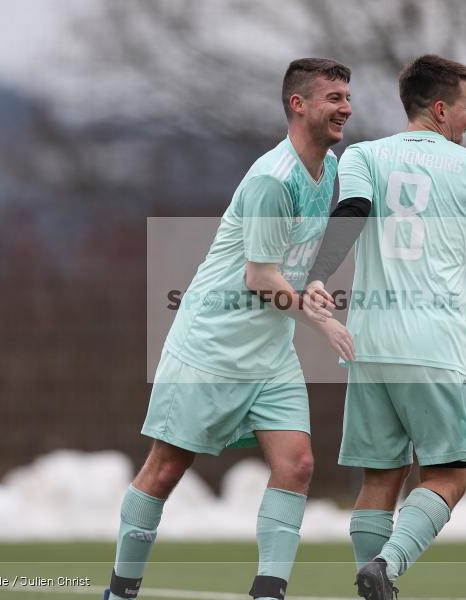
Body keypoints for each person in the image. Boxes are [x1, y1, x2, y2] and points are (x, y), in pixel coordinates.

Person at [104, 58, 354, 600]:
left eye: (346, 97)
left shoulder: (328, 168)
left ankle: (269, 593)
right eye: (333, 97)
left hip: (270, 353)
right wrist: (320, 318)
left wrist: (310, 285)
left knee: (299, 464)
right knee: (166, 470)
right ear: (299, 104)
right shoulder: (272, 179)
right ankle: (120, 590)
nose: (346, 108)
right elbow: (259, 276)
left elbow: (290, 262)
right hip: (210, 349)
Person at [303, 54, 466, 600]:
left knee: (379, 479)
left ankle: (371, 586)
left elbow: (350, 213)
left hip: (368, 343)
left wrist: (319, 276)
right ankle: (387, 567)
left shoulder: (364, 155)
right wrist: (452, 318)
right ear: (441, 109)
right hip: (435, 342)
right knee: (447, 477)